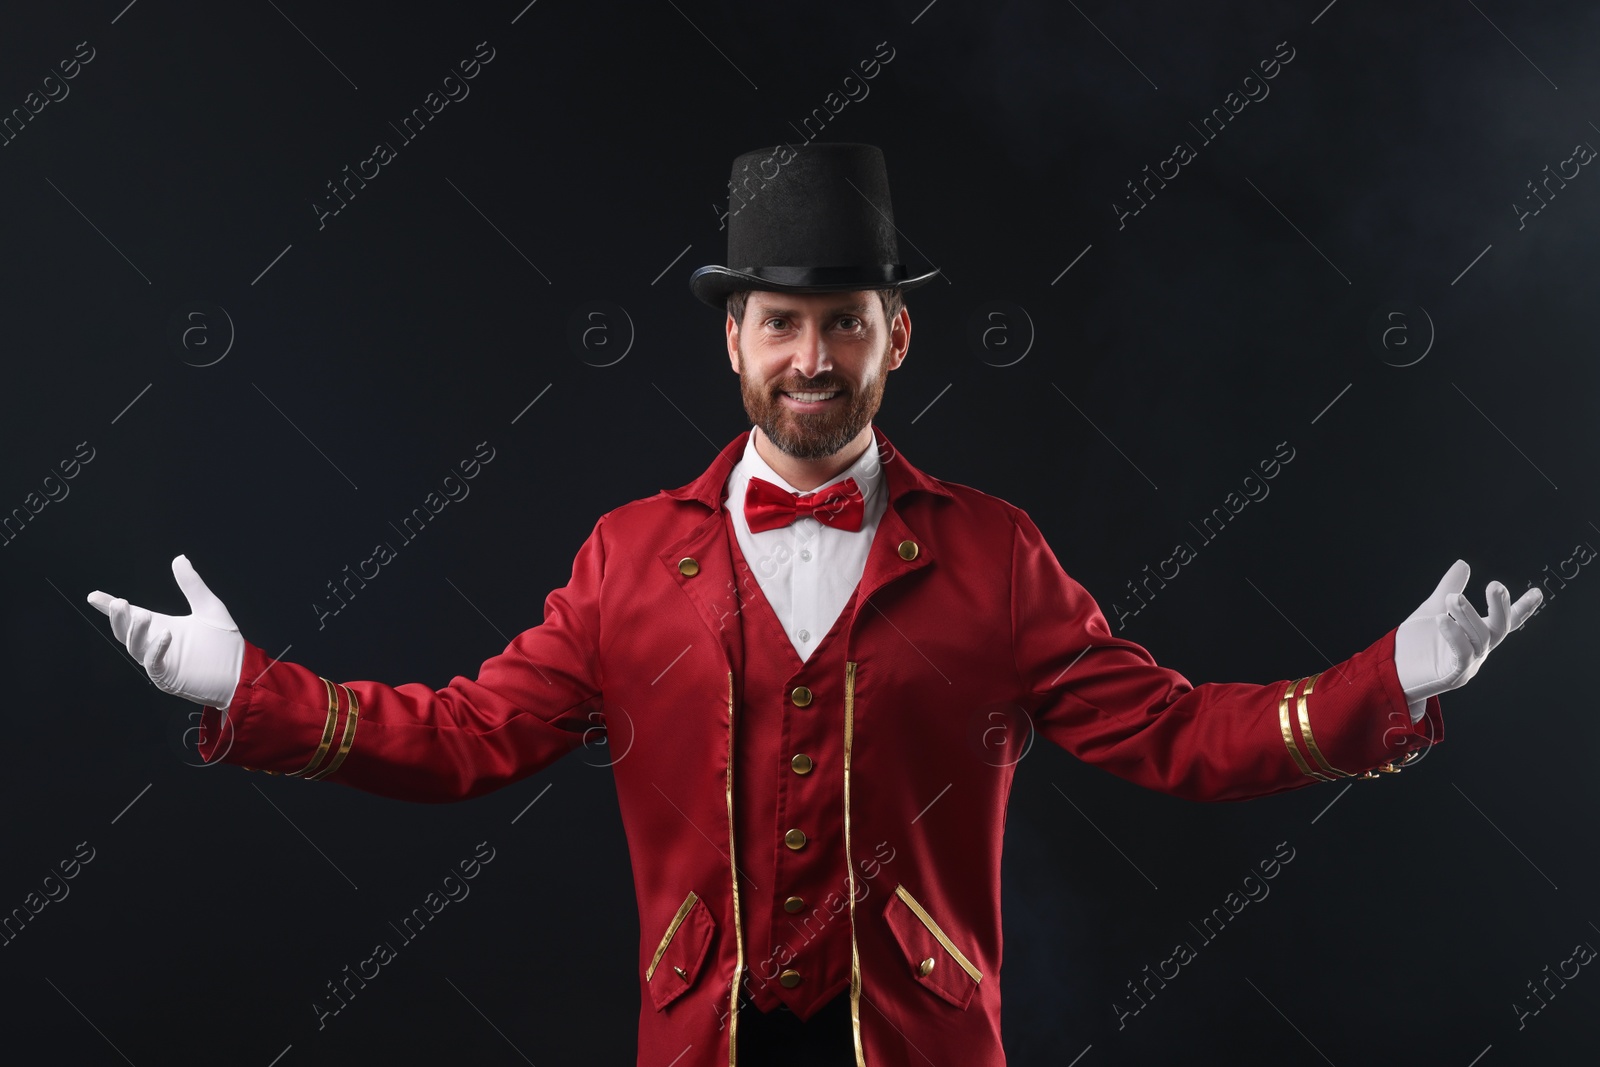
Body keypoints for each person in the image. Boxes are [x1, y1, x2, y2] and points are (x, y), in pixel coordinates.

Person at [87, 143, 1540, 1067]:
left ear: (892, 336)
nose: (809, 354)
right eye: (780, 321)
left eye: (842, 320)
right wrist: (246, 688)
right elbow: (463, 737)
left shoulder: (999, 555)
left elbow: (1183, 737)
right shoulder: (619, 560)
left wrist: (1394, 676)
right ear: (734, 336)